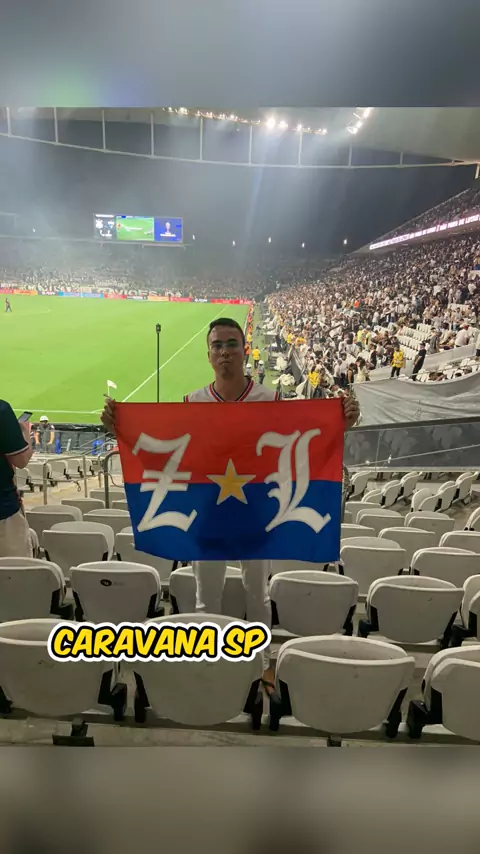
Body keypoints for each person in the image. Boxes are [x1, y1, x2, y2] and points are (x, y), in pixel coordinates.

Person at [102, 316, 359, 695]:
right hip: (208, 515)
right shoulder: (192, 403)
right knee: (206, 598)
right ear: (208, 354)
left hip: (257, 515)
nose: (224, 351)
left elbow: (304, 439)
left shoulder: (270, 401)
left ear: (244, 349)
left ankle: (261, 665)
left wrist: (342, 424)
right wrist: (120, 428)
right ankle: (209, 666)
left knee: (258, 594)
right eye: (217, 345)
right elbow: (167, 450)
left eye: (231, 344)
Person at [0, 400, 33, 557]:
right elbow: (21, 460)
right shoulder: (1, 409)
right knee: (14, 569)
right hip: (4, 512)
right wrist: (25, 432)